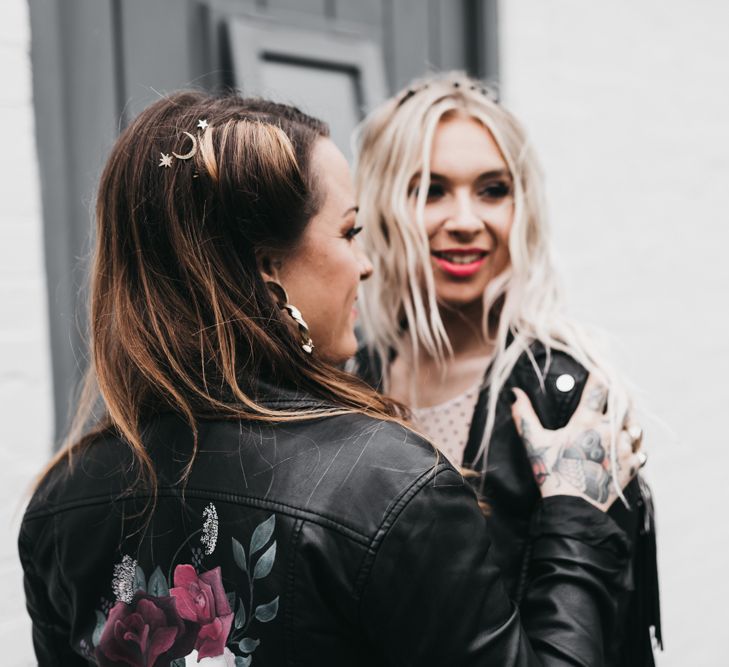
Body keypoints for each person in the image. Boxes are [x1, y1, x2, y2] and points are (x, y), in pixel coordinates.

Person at [19, 91, 643, 667]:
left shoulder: (58, 502)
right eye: (349, 232)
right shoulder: (386, 482)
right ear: (269, 269)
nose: (364, 265)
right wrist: (580, 523)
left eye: (493, 189)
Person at [353, 72, 661, 666]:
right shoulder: (350, 379)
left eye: (492, 190)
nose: (465, 219)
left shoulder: (564, 394)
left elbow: (610, 628)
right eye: (430, 190)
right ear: (382, 206)